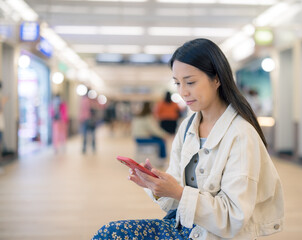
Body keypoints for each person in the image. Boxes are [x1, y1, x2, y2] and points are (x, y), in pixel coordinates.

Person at [93, 38, 284, 240]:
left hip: (212, 235)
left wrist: (179, 193)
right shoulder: (187, 127)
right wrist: (156, 186)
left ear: (216, 79)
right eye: (177, 83)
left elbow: (234, 218)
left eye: (190, 82)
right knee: (110, 233)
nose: (183, 92)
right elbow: (176, 199)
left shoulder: (241, 135)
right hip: (184, 228)